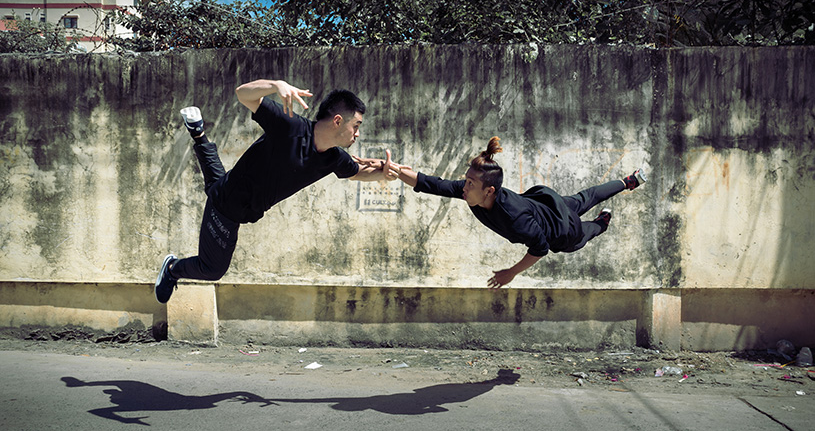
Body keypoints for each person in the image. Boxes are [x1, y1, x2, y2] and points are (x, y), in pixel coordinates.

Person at [154, 79, 399, 303]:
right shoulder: (290, 127)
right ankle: (173, 268)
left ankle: (198, 134)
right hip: (227, 207)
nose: (357, 134)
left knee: (218, 183)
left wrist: (383, 174)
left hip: (237, 194)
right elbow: (243, 95)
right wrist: (275, 85)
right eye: (356, 126)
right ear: (337, 121)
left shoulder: (334, 158)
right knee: (212, 269)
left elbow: (356, 171)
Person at [391, 136, 646, 288]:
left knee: (586, 232)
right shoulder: (474, 192)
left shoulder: (515, 219)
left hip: (563, 230)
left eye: (470, 183)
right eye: (466, 181)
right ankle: (627, 182)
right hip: (549, 204)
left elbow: (540, 248)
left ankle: (603, 221)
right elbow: (434, 184)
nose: (464, 187)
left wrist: (511, 272)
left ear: (489, 190)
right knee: (585, 197)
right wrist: (392, 169)